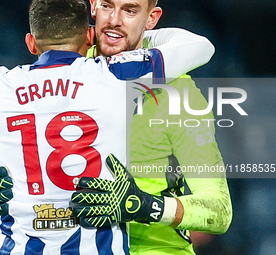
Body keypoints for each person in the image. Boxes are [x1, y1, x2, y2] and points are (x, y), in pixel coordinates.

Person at [0, 0, 214, 254]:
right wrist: (136, 28)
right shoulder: (117, 75)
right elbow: (201, 47)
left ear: (31, 43)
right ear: (89, 36)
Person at [71, 0, 233, 254]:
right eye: (106, 6)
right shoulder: (65, 72)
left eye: (130, 10)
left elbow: (219, 209)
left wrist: (145, 206)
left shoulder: (179, 95)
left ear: (151, 18)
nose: (114, 19)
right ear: (93, 7)